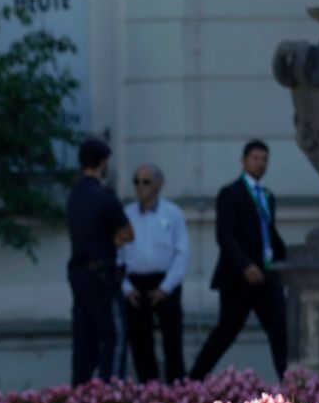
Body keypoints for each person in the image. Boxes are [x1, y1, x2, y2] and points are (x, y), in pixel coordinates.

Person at [190, 139, 288, 381]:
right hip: (238, 278)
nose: (260, 163)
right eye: (255, 158)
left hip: (266, 274)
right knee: (225, 332)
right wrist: (245, 265)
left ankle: (291, 385)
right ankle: (193, 380)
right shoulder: (230, 193)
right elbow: (225, 236)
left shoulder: (267, 195)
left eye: (264, 159)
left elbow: (268, 232)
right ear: (243, 161)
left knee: (280, 330)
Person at [63, 137, 132, 386]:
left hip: (78, 276)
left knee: (84, 338)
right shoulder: (104, 196)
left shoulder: (74, 195)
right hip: (103, 277)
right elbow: (128, 233)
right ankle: (109, 395)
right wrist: (112, 238)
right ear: (102, 163)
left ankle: (80, 396)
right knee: (113, 336)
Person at [120, 162, 188, 382]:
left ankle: (177, 392)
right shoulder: (126, 214)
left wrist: (166, 287)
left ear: (158, 184)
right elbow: (116, 254)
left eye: (146, 182)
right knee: (140, 341)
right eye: (136, 182)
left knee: (172, 341)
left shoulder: (173, 213)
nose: (140, 187)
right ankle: (148, 393)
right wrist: (126, 287)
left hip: (165, 282)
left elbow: (182, 253)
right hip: (135, 284)